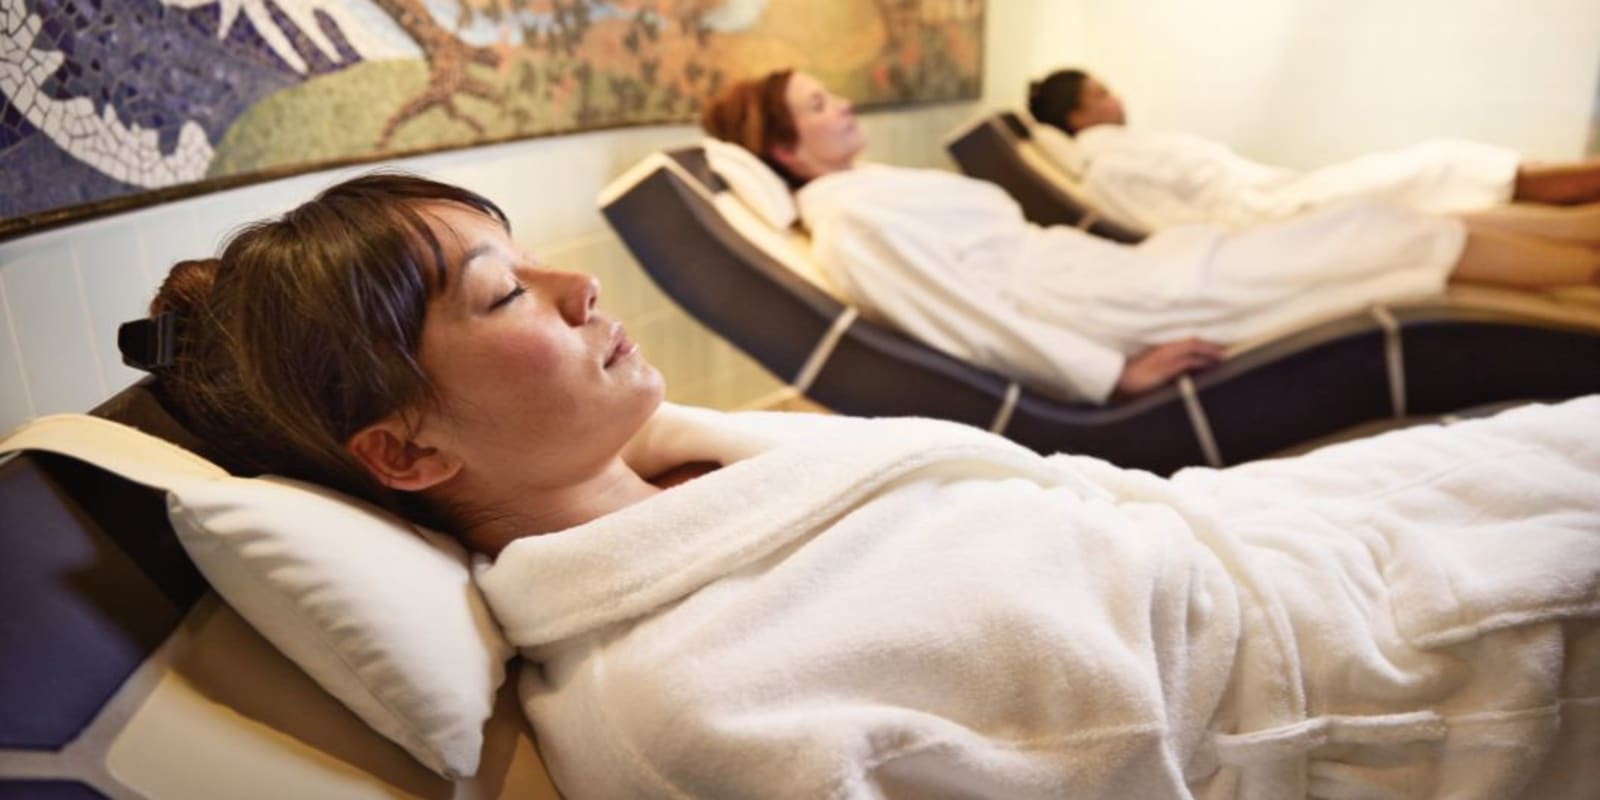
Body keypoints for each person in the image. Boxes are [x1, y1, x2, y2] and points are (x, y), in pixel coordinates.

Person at [145, 171, 1600, 799]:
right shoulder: (682, 714)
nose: (582, 286)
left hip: (1324, 527)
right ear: (406, 453)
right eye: (504, 291)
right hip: (1422, 673)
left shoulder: (709, 460)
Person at [701, 69, 1600, 405]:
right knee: (1384, 226)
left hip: (1123, 272)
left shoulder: (871, 186)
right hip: (1116, 303)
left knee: (1390, 225)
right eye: (819, 106)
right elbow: (966, 322)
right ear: (784, 148)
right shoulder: (850, 219)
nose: (844, 104)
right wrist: (1109, 373)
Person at [1027, 68, 1600, 234]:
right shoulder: (1109, 167)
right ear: (1076, 117)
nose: (1116, 95)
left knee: (1447, 162)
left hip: (1282, 191)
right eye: (1100, 94)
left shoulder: (1124, 146)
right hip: (1276, 215)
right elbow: (1177, 232)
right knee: (1441, 163)